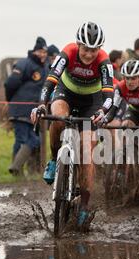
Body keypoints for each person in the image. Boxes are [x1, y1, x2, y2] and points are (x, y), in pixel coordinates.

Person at [31, 21, 114, 227]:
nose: (89, 54)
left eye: (94, 50)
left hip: (92, 101)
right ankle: (53, 160)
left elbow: (109, 95)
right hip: (66, 93)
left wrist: (103, 112)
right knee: (57, 116)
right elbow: (50, 81)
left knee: (87, 150)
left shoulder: (104, 61)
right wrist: (41, 105)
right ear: (78, 44)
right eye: (86, 49)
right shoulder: (67, 52)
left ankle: (84, 205)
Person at [4, 37, 49, 176]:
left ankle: (17, 168)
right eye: (40, 51)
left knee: (34, 140)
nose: (43, 55)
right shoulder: (24, 63)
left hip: (33, 111)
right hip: (20, 109)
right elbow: (11, 83)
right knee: (22, 139)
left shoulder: (44, 68)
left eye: (44, 52)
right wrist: (10, 100)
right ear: (34, 51)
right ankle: (17, 171)